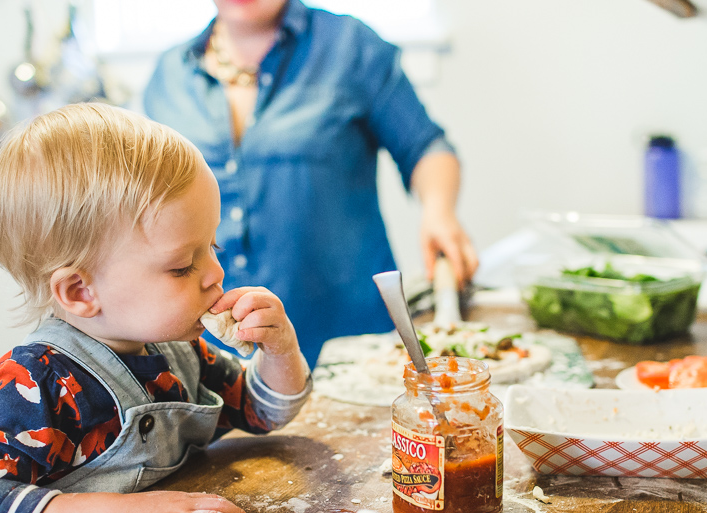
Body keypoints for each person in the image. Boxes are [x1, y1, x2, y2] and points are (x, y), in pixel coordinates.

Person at [0, 103, 312, 513]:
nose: (215, 274)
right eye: (181, 266)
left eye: (211, 246)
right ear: (80, 291)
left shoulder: (179, 350)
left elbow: (263, 412)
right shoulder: (38, 380)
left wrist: (280, 348)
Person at [144, 0, 478, 367]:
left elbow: (425, 146)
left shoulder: (351, 46)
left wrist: (439, 211)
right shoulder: (168, 74)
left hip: (347, 338)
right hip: (215, 352)